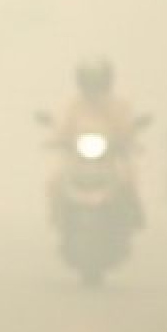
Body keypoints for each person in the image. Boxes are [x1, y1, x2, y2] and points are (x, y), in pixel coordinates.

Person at [48, 57, 144, 227]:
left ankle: (133, 213)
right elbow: (62, 128)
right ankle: (57, 216)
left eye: (96, 82)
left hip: (110, 157)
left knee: (128, 178)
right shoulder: (72, 105)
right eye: (89, 82)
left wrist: (128, 139)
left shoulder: (118, 105)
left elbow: (127, 129)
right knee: (54, 179)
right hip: (78, 157)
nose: (93, 87)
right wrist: (57, 139)